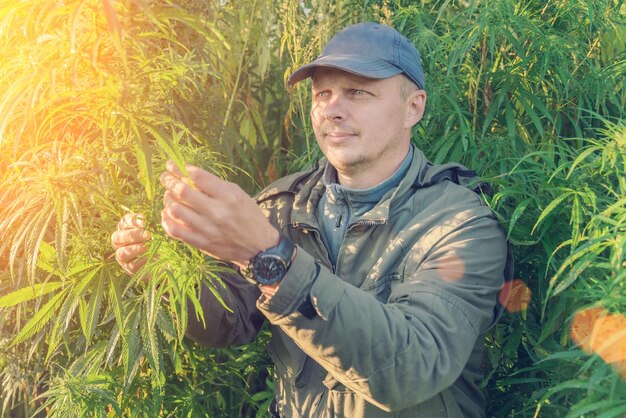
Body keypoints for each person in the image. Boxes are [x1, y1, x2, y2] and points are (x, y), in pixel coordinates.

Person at [111, 22, 508, 418]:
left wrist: (268, 255)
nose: (333, 109)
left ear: (413, 107)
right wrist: (165, 275)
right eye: (322, 94)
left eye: (357, 92)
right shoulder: (282, 205)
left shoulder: (460, 224)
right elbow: (231, 318)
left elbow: (414, 366)